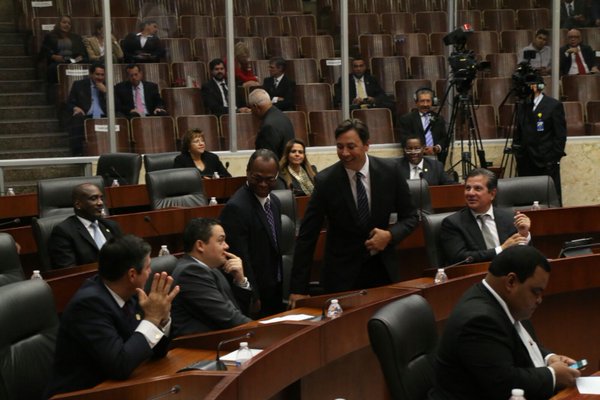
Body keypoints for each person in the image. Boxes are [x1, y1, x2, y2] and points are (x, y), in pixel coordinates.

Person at [289, 119, 418, 304]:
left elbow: (411, 217)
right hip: (341, 277)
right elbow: (307, 235)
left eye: (351, 146)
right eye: (339, 147)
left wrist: (390, 235)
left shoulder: (390, 171)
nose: (344, 153)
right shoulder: (326, 181)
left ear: (366, 145)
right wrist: (298, 289)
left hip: (382, 270)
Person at [429, 245, 580, 400]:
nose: (539, 300)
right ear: (511, 282)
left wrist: (549, 358)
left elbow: (521, 345)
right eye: (536, 292)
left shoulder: (506, 302)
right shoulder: (479, 320)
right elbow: (505, 383)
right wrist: (553, 375)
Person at [46, 234, 179, 397]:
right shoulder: (89, 305)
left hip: (118, 387)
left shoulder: (130, 293)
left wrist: (161, 319)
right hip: (82, 394)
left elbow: (156, 352)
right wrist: (151, 319)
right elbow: (120, 365)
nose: (150, 272)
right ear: (132, 275)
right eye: (147, 267)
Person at [219, 149, 284, 317]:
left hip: (275, 287)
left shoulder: (274, 202)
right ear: (247, 173)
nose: (263, 184)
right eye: (257, 178)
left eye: (269, 179)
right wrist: (253, 296)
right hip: (256, 295)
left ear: (277, 176)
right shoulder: (237, 207)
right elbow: (241, 256)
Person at [171, 218, 252, 337]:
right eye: (221, 241)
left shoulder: (212, 269)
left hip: (222, 340)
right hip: (195, 349)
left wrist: (240, 280)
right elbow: (229, 318)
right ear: (200, 245)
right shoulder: (190, 273)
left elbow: (237, 312)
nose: (227, 246)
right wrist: (264, 329)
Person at [440, 168, 531, 265]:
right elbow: (459, 258)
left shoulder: (509, 217)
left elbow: (525, 255)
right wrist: (501, 249)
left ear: (492, 194)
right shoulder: (453, 223)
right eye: (467, 188)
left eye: (477, 188)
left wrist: (524, 234)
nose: (470, 193)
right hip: (475, 275)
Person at [513, 75, 566, 203]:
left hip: (546, 162)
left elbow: (560, 135)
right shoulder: (522, 106)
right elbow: (519, 132)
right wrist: (518, 153)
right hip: (526, 161)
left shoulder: (553, 105)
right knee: (526, 198)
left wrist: (553, 158)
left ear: (537, 86)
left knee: (549, 199)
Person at [49, 183, 123, 269]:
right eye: (93, 198)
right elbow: (69, 271)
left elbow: (126, 256)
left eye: (101, 198)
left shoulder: (111, 225)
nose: (100, 203)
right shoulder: (63, 232)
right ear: (78, 205)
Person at [398, 87, 449, 164]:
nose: (425, 104)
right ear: (416, 102)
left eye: (428, 101)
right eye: (422, 101)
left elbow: (444, 138)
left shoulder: (438, 118)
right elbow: (404, 139)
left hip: (435, 158)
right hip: (415, 158)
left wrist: (436, 148)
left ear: (432, 102)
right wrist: (420, 148)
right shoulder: (406, 119)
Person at [65, 63, 107, 156]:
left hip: (105, 116)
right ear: (91, 74)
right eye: (97, 74)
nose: (100, 77)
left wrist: (106, 92)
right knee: (76, 119)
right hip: (86, 115)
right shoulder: (79, 85)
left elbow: (117, 105)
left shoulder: (108, 86)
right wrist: (75, 108)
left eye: (102, 75)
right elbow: (69, 103)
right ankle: (77, 153)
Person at [248, 88, 295, 159]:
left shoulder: (267, 127)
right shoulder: (283, 117)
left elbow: (267, 159)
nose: (251, 112)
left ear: (255, 107)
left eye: (251, 108)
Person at [39, 15, 88, 83]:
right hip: (57, 62)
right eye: (64, 22)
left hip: (74, 62)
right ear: (59, 23)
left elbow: (83, 54)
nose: (67, 25)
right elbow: (44, 52)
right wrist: (53, 56)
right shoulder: (50, 36)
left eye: (69, 23)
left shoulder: (76, 37)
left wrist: (75, 60)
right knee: (52, 69)